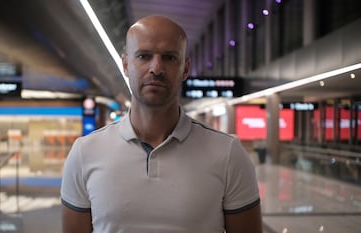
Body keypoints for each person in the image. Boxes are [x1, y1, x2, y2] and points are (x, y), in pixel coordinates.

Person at [61, 15, 262, 233]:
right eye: (144, 56)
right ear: (126, 65)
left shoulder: (228, 154)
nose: (156, 68)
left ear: (185, 69)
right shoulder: (85, 153)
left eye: (169, 57)